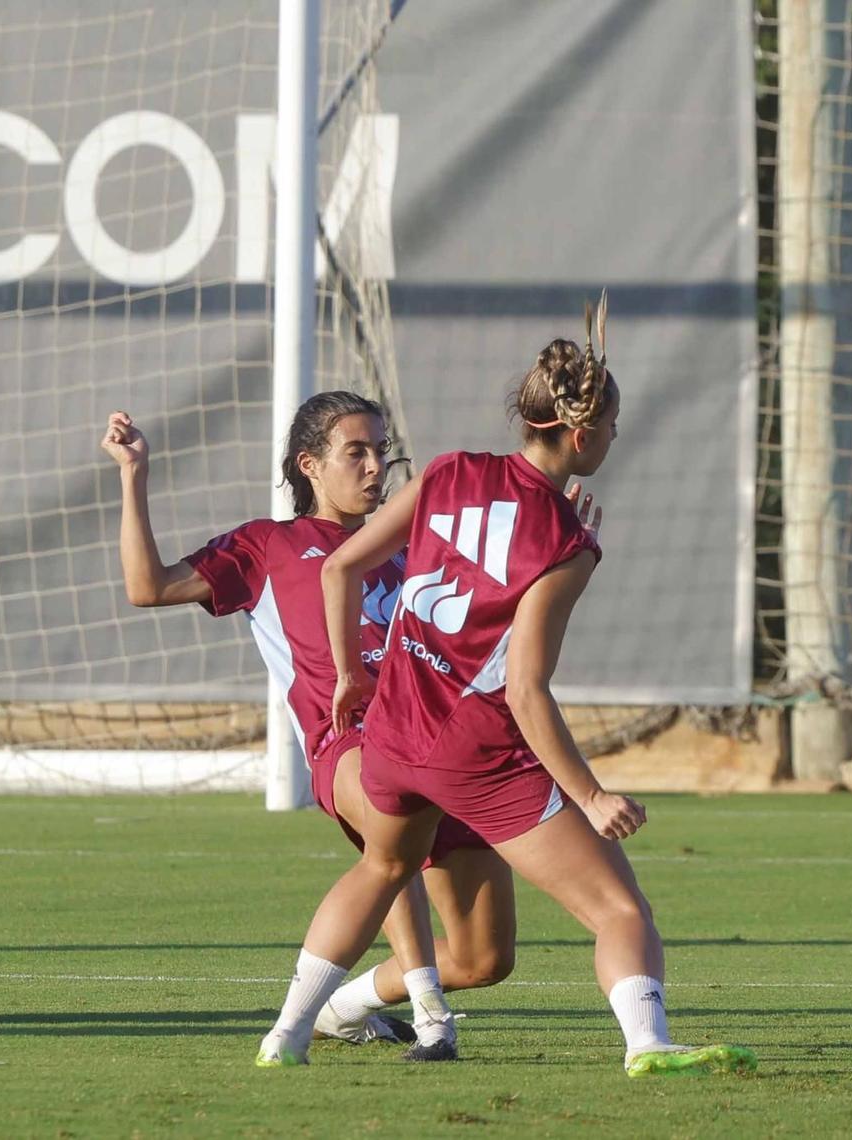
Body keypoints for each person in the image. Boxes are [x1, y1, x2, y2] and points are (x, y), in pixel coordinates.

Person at [253, 298, 754, 1077]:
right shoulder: (568, 542)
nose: (615, 440)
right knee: (618, 909)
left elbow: (338, 565)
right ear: (581, 435)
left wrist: (352, 674)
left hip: (389, 735)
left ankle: (286, 1035)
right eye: (613, 428)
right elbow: (526, 692)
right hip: (472, 750)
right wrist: (589, 797)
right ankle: (648, 1044)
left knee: (387, 873)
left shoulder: (448, 471)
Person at [102, 392, 521, 1061]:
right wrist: (134, 475)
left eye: (379, 450)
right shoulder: (270, 545)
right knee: (393, 833)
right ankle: (422, 1013)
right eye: (355, 450)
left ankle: (343, 1006)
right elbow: (146, 586)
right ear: (309, 464)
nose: (372, 465)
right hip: (350, 744)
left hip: (445, 744)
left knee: (485, 957)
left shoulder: (412, 544)